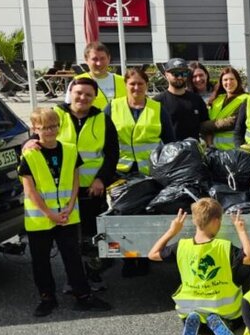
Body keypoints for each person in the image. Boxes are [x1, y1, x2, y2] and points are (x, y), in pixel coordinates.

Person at [24, 77, 119, 290]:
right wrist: (27, 142)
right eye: (78, 93)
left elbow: (112, 153)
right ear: (71, 93)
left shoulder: (103, 119)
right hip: (61, 191)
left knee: (90, 237)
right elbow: (36, 136)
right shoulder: (56, 114)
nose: (83, 98)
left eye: (88, 94)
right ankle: (73, 281)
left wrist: (101, 179)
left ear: (95, 97)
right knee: (68, 242)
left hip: (92, 189)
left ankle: (92, 276)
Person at [20, 107, 111, 317]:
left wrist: (70, 206)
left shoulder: (69, 149)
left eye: (53, 126)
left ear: (59, 127)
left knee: (72, 257)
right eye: (44, 128)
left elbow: (75, 178)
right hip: (41, 218)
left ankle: (83, 296)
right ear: (35, 129)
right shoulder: (30, 154)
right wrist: (49, 214)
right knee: (40, 260)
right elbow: (30, 190)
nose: (50, 131)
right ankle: (47, 297)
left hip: (68, 215)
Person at [147, 199, 250, 335]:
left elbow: (152, 254)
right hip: (225, 314)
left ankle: (195, 324)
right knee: (239, 315)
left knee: (195, 317)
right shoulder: (224, 247)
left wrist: (172, 231)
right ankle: (221, 324)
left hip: (189, 312)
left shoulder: (181, 246)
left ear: (194, 221)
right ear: (215, 221)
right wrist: (241, 231)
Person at [111, 68, 174, 176]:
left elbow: (170, 142)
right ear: (125, 84)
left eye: (140, 84)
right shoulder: (113, 107)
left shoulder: (158, 108)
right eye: (132, 84)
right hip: (119, 171)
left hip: (151, 171)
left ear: (146, 85)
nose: (136, 87)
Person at [154, 58, 209, 142]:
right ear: (166, 75)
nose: (180, 77)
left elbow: (205, 127)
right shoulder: (157, 102)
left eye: (184, 73)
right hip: (168, 152)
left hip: (193, 152)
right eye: (175, 74)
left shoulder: (196, 99)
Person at [67, 42, 126, 111]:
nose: (99, 63)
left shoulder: (123, 81)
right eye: (95, 59)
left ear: (109, 58)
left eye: (102, 58)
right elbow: (69, 111)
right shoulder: (77, 83)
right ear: (86, 60)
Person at [206, 67, 248, 151]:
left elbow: (232, 122)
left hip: (234, 150)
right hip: (215, 150)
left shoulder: (246, 98)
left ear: (238, 81)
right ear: (221, 82)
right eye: (225, 80)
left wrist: (204, 126)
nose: (228, 82)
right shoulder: (217, 100)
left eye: (232, 79)